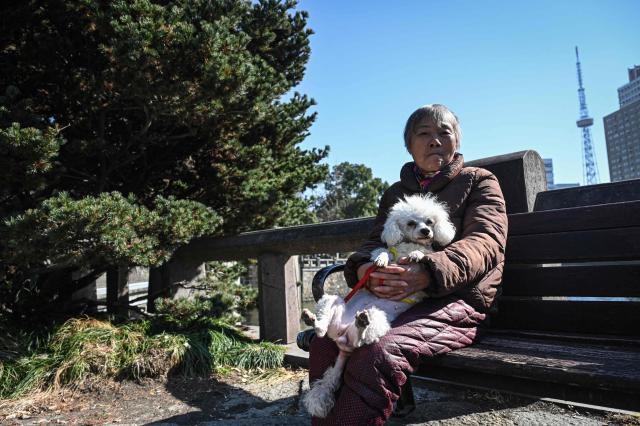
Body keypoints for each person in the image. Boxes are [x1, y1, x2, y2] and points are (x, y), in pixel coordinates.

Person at [308, 104, 508, 425]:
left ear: (457, 139)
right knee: (323, 342)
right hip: (392, 299)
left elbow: (486, 243)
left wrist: (428, 272)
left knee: (378, 351)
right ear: (409, 144)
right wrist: (364, 271)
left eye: (445, 132)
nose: (435, 140)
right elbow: (374, 243)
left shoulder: (479, 182)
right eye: (424, 134)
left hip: (458, 299)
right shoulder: (396, 193)